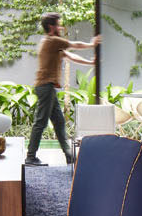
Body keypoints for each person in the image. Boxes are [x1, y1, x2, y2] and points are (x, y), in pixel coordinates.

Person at [25, 14, 100, 166]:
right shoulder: (51, 40)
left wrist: (90, 63)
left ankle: (69, 156)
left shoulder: (53, 45)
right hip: (45, 87)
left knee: (59, 122)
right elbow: (74, 45)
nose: (60, 27)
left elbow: (69, 56)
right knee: (40, 122)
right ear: (51, 27)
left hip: (48, 87)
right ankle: (30, 157)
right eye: (58, 25)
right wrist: (92, 44)